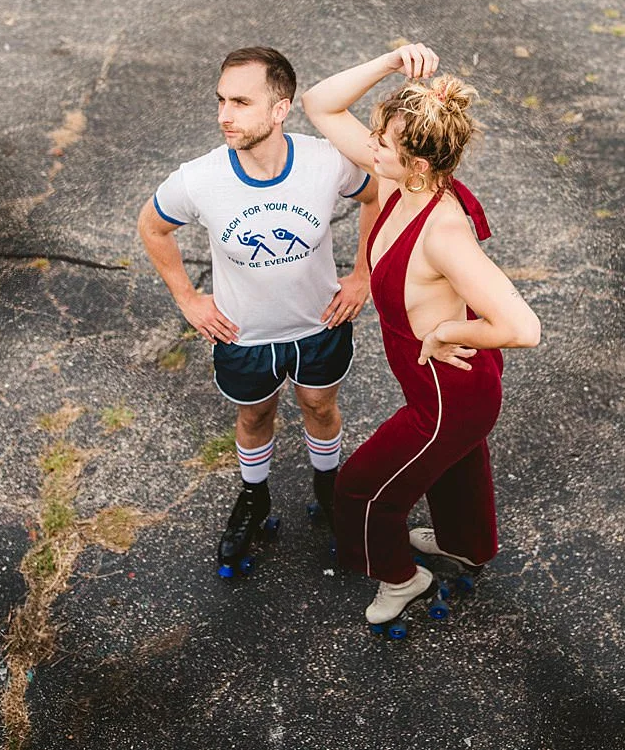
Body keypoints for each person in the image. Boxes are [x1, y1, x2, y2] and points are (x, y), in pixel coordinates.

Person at [300, 42, 540, 630]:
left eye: (382, 141)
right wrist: (386, 62)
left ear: (420, 163)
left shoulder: (444, 232)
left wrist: (445, 333)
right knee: (456, 466)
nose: (370, 147)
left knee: (360, 490)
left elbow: (523, 328)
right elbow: (319, 105)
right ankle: (467, 545)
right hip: (438, 388)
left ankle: (403, 576)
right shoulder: (396, 180)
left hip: (448, 394)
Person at [137, 46, 380, 577]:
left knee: (319, 407)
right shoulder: (199, 179)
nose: (225, 115)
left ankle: (328, 490)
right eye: (222, 101)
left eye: (241, 102)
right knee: (254, 415)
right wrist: (187, 298)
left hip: (319, 324)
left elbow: (375, 196)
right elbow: (152, 227)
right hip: (244, 334)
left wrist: (363, 274)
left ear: (279, 109)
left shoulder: (324, 160)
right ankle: (255, 498)